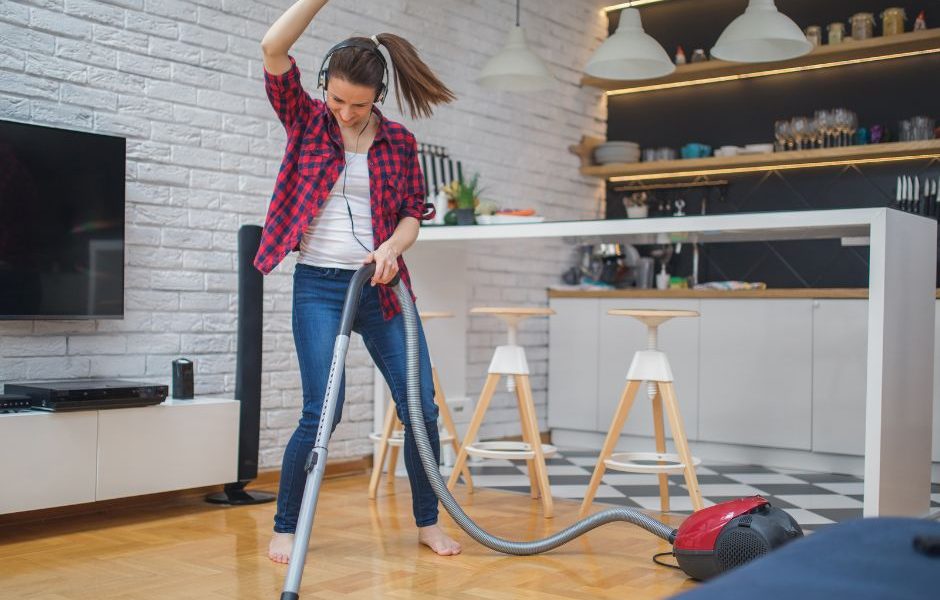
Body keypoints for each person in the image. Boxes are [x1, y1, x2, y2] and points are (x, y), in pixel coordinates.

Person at [255, 0, 460, 563]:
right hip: (320, 287)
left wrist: (394, 244)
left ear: (378, 100)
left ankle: (427, 521)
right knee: (322, 408)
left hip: (383, 289)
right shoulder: (305, 117)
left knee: (420, 405)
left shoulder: (399, 142)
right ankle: (286, 523)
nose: (346, 112)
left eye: (359, 104)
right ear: (324, 87)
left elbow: (414, 212)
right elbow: (273, 49)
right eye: (338, 99)